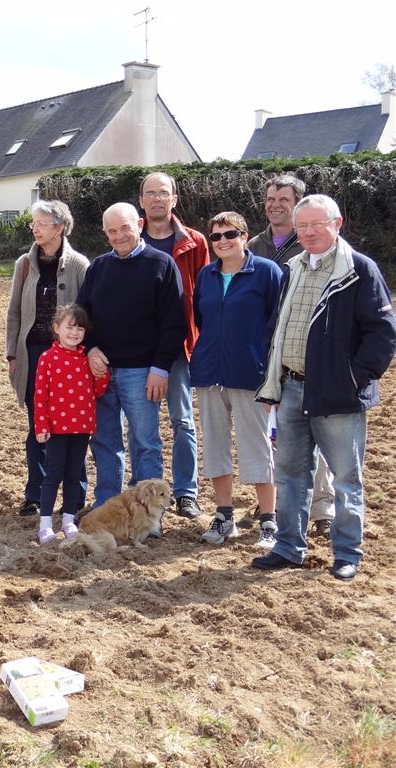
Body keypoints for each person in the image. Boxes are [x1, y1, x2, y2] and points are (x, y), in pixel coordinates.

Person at [252, 194, 396, 581]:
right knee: (290, 474)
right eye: (303, 226)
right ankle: (288, 547)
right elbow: (277, 327)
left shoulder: (359, 270)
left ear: (338, 224)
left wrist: (352, 379)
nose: (310, 232)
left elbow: (382, 334)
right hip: (292, 388)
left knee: (346, 477)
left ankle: (347, 552)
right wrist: (275, 379)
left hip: (339, 395)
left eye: (318, 224)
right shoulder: (293, 268)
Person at [76, 202, 185, 508]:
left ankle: (147, 513)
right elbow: (82, 316)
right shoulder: (98, 268)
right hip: (102, 371)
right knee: (104, 442)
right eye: (112, 231)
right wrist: (90, 348)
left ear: (139, 224)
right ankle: (109, 507)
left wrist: (160, 368)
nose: (119, 235)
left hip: (142, 371)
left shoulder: (161, 264)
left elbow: (173, 323)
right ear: (105, 233)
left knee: (145, 443)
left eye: (125, 227)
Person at [248, 175, 336, 539]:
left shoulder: (313, 243)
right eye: (270, 198)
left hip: (307, 353)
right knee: (276, 435)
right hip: (267, 353)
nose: (274, 205)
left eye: (283, 199)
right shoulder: (254, 245)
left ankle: (322, 507)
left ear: (297, 204)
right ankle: (278, 502)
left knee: (317, 431)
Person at [189, 212, 283, 547]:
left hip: (250, 375)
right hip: (210, 373)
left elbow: (277, 324)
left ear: (244, 235)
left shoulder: (267, 273)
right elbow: (202, 319)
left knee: (256, 447)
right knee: (215, 446)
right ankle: (224, 515)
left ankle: (269, 520)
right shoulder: (207, 276)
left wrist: (269, 368)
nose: (223, 241)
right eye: (215, 237)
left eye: (230, 234)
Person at [7, 199, 90, 517]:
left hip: (69, 359)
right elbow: (13, 311)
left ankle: (76, 496)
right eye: (33, 224)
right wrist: (13, 353)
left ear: (59, 227)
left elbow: (88, 314)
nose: (34, 228)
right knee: (38, 425)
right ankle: (35, 495)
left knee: (72, 428)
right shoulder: (23, 265)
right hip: (33, 355)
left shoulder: (81, 264)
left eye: (40, 223)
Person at [138, 172, 210, 519]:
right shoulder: (128, 237)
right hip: (139, 350)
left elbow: (204, 296)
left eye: (163, 193)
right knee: (143, 426)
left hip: (180, 349)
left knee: (182, 421)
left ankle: (186, 492)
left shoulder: (195, 242)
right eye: (150, 193)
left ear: (174, 199)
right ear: (141, 201)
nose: (156, 199)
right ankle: (148, 494)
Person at [33, 304, 109, 544]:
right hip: (56, 428)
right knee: (53, 474)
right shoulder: (47, 358)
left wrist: (102, 374)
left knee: (74, 475)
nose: (74, 333)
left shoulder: (86, 359)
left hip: (81, 427)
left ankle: (68, 520)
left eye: (80, 328)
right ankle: (45, 523)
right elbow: (40, 395)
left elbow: (98, 390)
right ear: (57, 328)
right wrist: (41, 425)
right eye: (69, 327)